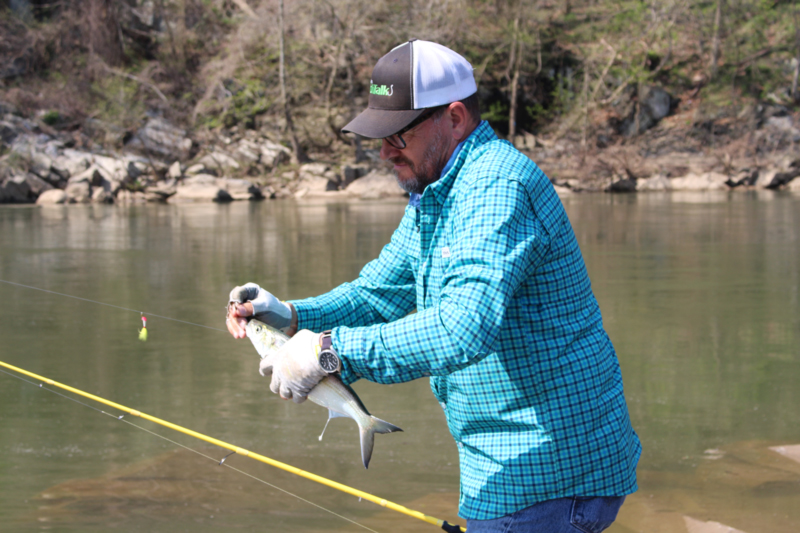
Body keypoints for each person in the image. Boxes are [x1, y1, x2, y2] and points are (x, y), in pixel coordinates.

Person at [226, 39, 641, 532]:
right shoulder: (438, 191)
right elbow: (376, 294)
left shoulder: (495, 189)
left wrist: (328, 352)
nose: (382, 152)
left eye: (397, 136)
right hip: (509, 466)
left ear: (456, 117)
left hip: (548, 473)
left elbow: (460, 330)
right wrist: (287, 316)